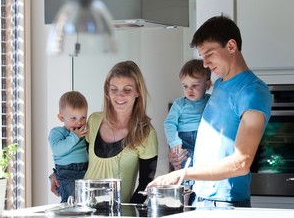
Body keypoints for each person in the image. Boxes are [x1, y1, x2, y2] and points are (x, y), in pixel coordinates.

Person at [148, 15, 272, 208]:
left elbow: (241, 162)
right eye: (202, 56)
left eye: (209, 54)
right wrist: (182, 159)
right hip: (201, 198)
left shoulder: (252, 91)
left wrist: (185, 173)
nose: (205, 64)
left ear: (231, 46)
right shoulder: (220, 84)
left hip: (226, 203)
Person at [83, 60, 158, 204]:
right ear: (107, 90)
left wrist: (125, 213)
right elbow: (79, 161)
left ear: (137, 92)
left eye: (127, 89)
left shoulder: (146, 134)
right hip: (84, 209)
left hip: (118, 217)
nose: (119, 95)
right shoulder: (94, 120)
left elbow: (146, 186)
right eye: (114, 89)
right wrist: (57, 174)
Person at [164, 59, 211, 187]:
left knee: (203, 170)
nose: (189, 90)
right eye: (185, 86)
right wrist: (174, 141)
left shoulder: (211, 101)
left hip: (205, 138)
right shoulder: (179, 103)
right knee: (185, 169)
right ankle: (185, 203)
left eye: (194, 85)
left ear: (207, 85)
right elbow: (169, 124)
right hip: (185, 140)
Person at [48, 91, 89, 203]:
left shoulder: (84, 133)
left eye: (83, 118)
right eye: (74, 118)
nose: (79, 122)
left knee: (84, 202)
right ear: (61, 117)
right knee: (70, 202)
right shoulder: (57, 132)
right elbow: (57, 149)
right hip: (66, 173)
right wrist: (74, 137)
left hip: (84, 170)